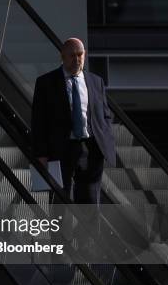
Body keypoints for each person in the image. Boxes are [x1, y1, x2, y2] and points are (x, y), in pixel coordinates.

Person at [32, 38, 116, 204]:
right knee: (60, 202)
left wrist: (106, 137)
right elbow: (38, 121)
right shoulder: (46, 83)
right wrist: (41, 154)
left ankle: (89, 232)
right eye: (72, 55)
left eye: (80, 55)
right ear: (62, 56)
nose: (77, 59)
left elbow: (105, 114)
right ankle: (61, 231)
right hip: (60, 149)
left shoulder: (95, 81)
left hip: (91, 148)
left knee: (90, 203)